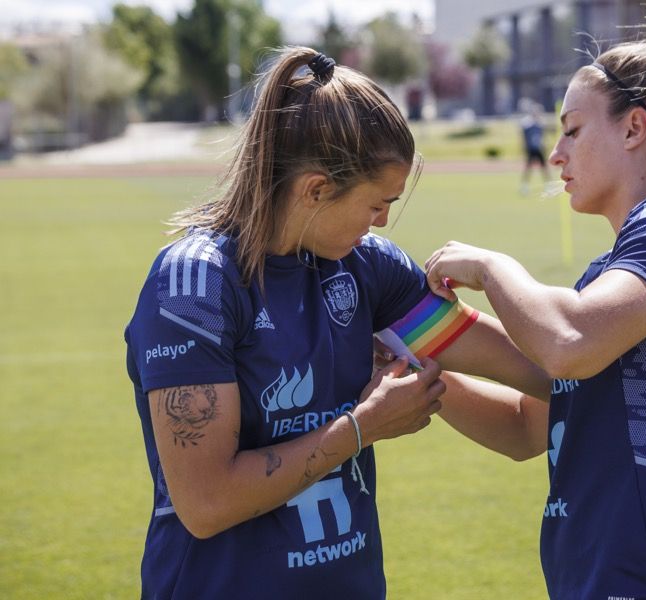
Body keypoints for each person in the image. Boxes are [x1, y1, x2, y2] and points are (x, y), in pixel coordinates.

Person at [123, 47, 548, 599]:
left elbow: (534, 368)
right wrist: (361, 427)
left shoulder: (369, 267)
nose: (383, 222)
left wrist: (611, 336)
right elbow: (206, 503)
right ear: (316, 190)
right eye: (375, 205)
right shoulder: (195, 286)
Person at [425, 6, 646, 598]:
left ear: (634, 129)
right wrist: (424, 377)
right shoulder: (607, 279)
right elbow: (525, 429)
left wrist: (491, 266)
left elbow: (566, 342)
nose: (556, 154)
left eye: (572, 129)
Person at [519, 98, 552, 196]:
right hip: (531, 149)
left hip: (539, 149)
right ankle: (524, 186)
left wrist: (545, 145)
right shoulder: (527, 124)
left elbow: (543, 136)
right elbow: (524, 138)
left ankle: (548, 185)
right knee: (528, 168)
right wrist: (524, 147)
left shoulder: (540, 123)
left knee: (544, 168)